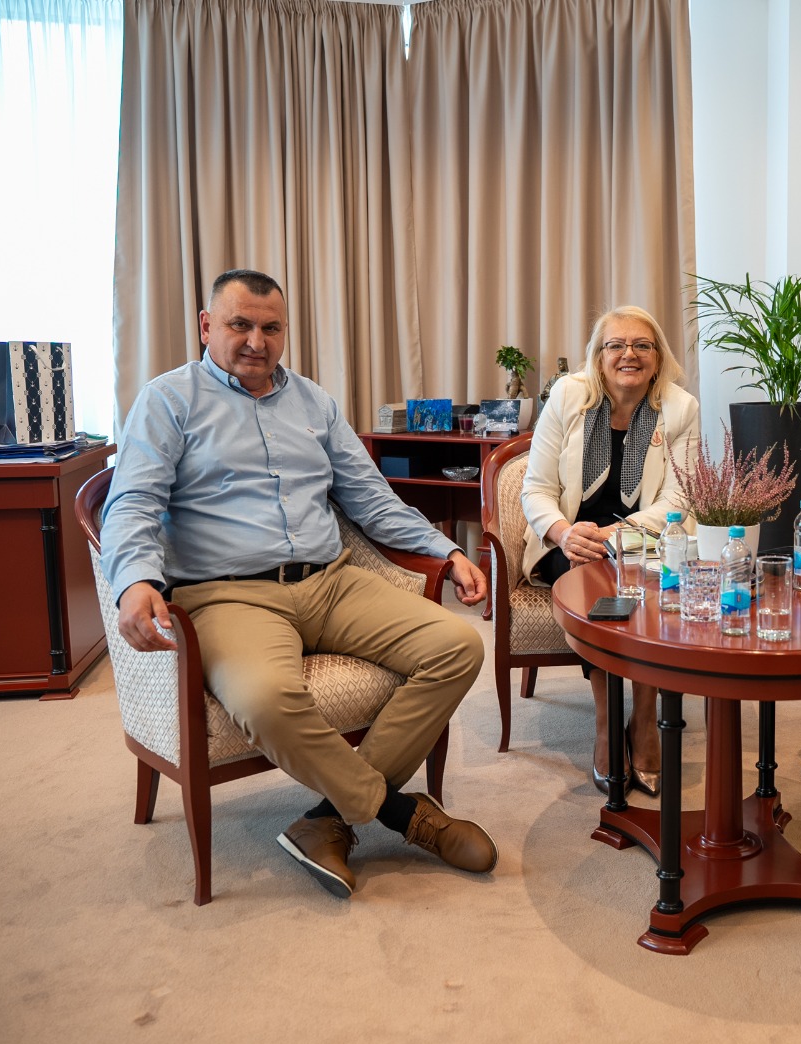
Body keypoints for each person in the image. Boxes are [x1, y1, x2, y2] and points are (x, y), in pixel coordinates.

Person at [101, 269, 497, 900]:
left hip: (331, 581)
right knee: (263, 699)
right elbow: (132, 502)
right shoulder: (168, 400)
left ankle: (326, 821)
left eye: (271, 328)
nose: (256, 341)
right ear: (206, 326)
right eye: (239, 325)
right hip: (228, 594)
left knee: (457, 646)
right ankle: (400, 814)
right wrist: (134, 582)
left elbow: (372, 499)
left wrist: (445, 550)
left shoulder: (315, 403)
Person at [521, 305, 700, 795]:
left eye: (642, 345)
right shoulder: (568, 395)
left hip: (642, 536)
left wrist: (618, 536)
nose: (628, 355)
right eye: (615, 345)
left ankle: (643, 717)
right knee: (594, 582)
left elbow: (678, 499)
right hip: (570, 539)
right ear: (598, 357)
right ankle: (606, 721)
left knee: (653, 581)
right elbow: (535, 488)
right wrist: (563, 532)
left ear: (658, 357)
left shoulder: (680, 408)